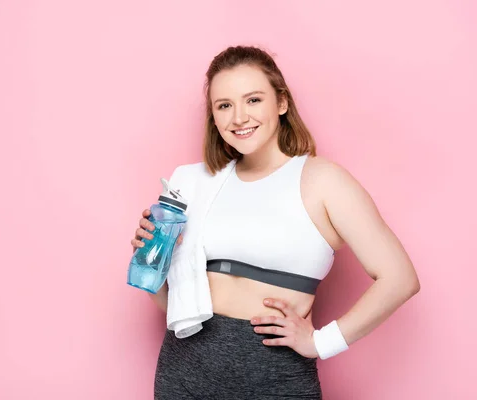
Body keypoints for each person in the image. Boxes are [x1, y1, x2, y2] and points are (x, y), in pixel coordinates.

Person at [130, 45, 420, 399]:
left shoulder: (322, 180)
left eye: (253, 100)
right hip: (184, 372)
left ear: (281, 103)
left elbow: (400, 278)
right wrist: (151, 258)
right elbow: (170, 304)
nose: (239, 117)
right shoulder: (193, 184)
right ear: (215, 117)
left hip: (274, 380)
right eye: (224, 105)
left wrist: (320, 342)